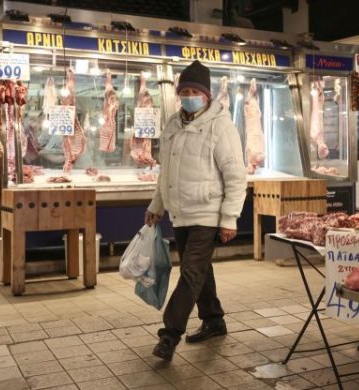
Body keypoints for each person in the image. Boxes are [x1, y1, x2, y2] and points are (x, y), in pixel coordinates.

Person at [145, 60, 247, 361]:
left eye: (194, 91)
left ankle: (169, 335)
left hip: (207, 213)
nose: (189, 95)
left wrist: (229, 219)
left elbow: (235, 175)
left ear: (207, 95)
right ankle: (214, 320)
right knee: (200, 269)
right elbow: (166, 173)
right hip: (180, 212)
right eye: (184, 91)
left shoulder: (220, 126)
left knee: (190, 273)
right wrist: (157, 205)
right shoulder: (173, 125)